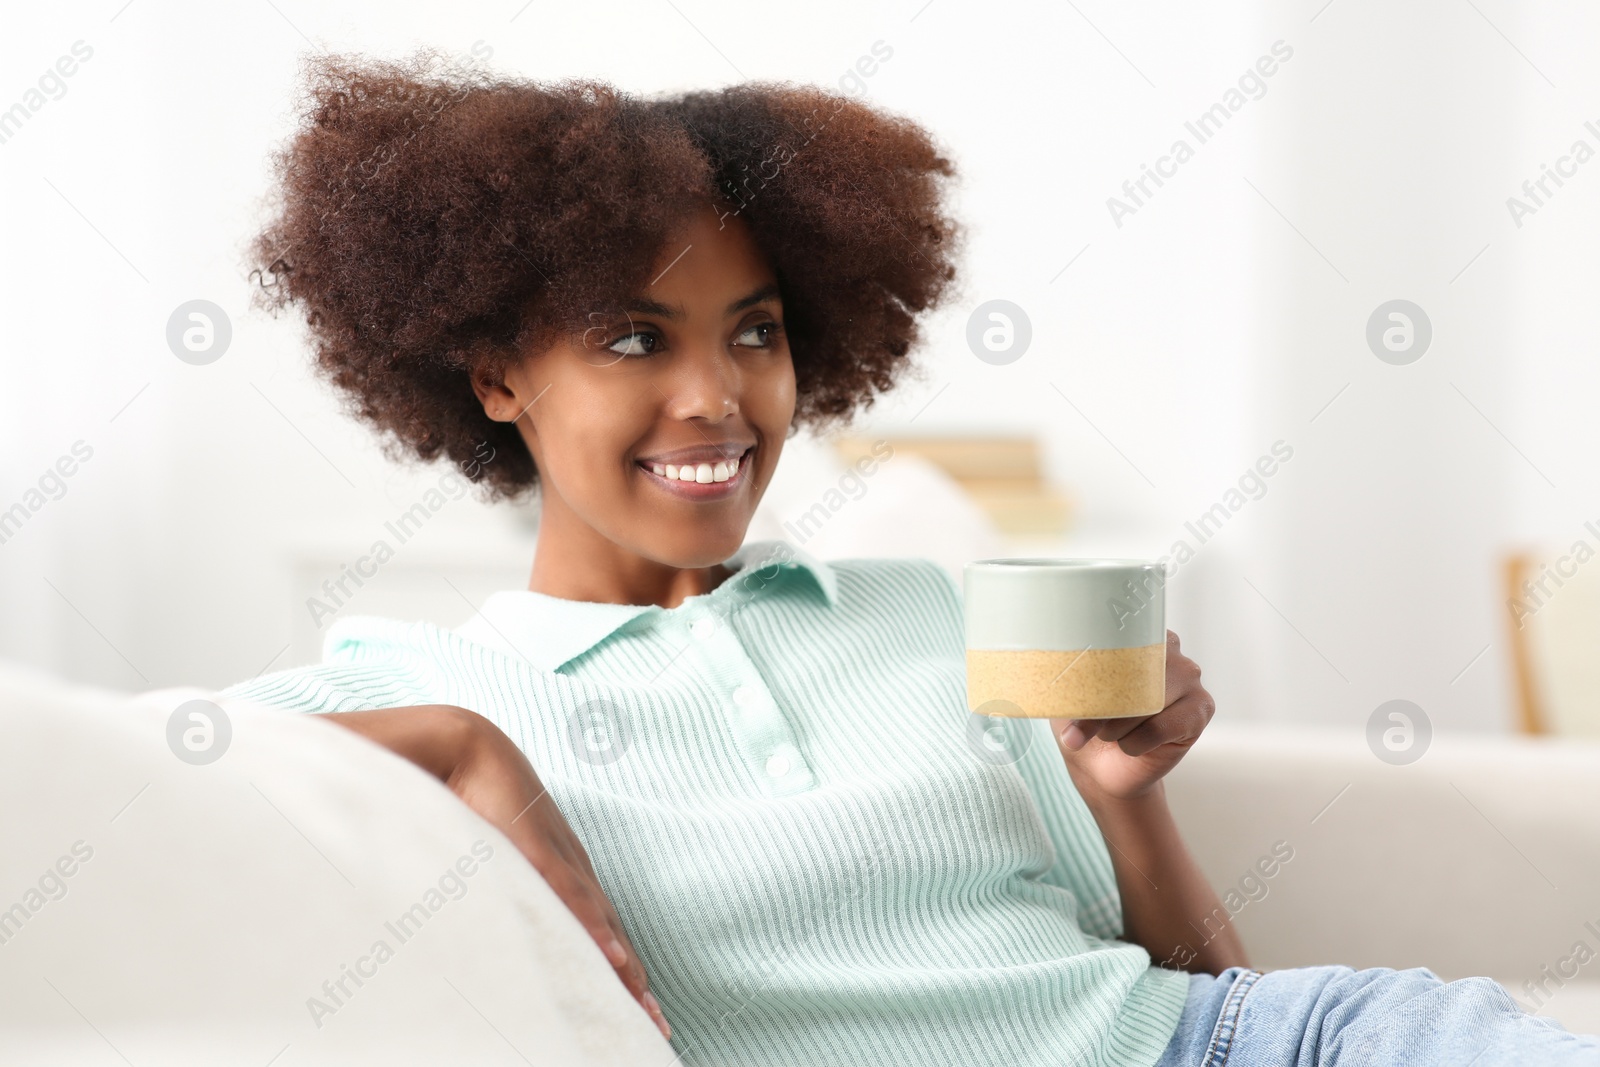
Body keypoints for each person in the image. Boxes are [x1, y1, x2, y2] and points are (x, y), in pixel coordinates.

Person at [222, 51, 1600, 1066]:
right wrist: (467, 743)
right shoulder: (413, 677)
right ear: (495, 377)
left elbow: (1198, 1001)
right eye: (636, 339)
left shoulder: (928, 610)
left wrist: (1113, 793)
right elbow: (141, 759)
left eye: (755, 333)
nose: (718, 395)